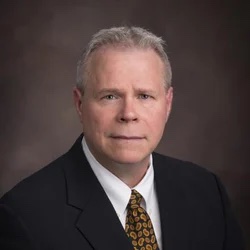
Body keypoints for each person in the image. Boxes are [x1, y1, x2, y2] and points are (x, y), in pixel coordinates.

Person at [0, 26, 244, 250]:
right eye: (110, 96)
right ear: (79, 104)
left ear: (167, 104)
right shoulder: (24, 216)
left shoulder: (207, 193)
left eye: (145, 96)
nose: (128, 114)